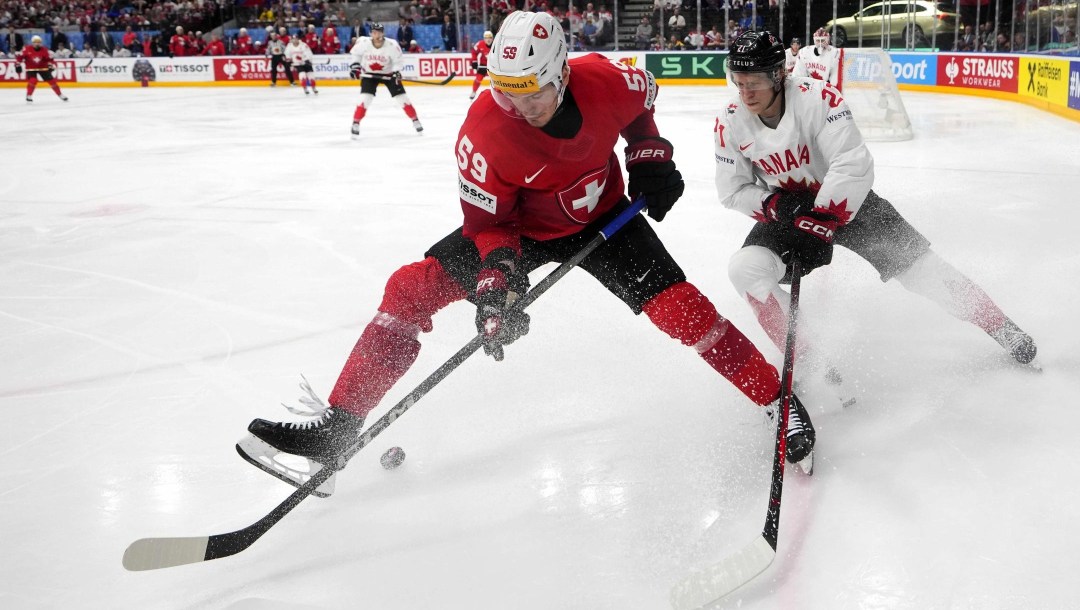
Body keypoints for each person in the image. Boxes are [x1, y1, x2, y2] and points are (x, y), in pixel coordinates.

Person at [240, 12, 818, 484]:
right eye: (505, 92)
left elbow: (643, 103)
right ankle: (337, 431)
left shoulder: (606, 80)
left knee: (684, 313)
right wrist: (499, 286)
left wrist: (648, 151)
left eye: (531, 92)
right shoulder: (485, 134)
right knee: (407, 288)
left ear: (561, 73)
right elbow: (489, 227)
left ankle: (777, 399)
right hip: (518, 231)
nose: (518, 106)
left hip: (606, 220)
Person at [713, 31, 1037, 395]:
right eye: (738, 83)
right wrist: (776, 206)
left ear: (777, 75)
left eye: (753, 82)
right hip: (788, 212)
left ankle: (999, 325)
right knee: (745, 269)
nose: (745, 93)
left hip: (848, 205)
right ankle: (814, 362)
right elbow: (733, 189)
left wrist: (823, 219)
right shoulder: (729, 120)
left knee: (921, 269)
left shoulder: (819, 98)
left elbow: (852, 163)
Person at [347, 23, 423, 138]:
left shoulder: (392, 45)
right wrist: (355, 67)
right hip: (369, 74)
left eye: (378, 32)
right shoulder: (363, 43)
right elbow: (356, 55)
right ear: (370, 33)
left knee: (402, 98)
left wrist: (396, 72)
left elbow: (398, 61)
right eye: (374, 32)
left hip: (389, 74)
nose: (376, 34)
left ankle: (415, 120)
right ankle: (356, 123)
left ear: (383, 33)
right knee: (365, 99)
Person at [16, 35, 68, 103]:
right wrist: (17, 65)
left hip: (43, 68)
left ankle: (60, 94)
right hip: (31, 68)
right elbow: (19, 57)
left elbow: (50, 59)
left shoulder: (45, 50)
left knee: (52, 81)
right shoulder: (26, 49)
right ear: (32, 43)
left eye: (39, 42)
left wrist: (50, 65)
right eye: (35, 42)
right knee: (33, 80)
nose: (37, 43)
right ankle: (29, 95)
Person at [468, 30, 493, 101]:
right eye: (486, 38)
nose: (488, 40)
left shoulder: (496, 44)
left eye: (490, 38)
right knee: (478, 79)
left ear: (492, 38)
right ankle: (474, 91)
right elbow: (474, 52)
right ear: (484, 39)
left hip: (493, 66)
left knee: (496, 82)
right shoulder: (480, 44)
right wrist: (474, 62)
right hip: (484, 65)